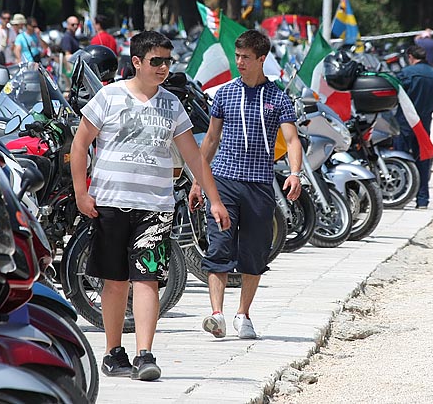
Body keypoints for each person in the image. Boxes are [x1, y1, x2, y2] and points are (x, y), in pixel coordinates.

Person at [70, 30, 230, 382]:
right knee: (115, 281)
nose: (162, 68)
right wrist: (82, 193)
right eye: (155, 61)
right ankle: (114, 352)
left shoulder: (171, 105)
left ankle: (145, 354)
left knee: (147, 279)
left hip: (155, 207)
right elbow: (80, 144)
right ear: (137, 62)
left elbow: (193, 157)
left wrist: (214, 200)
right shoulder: (108, 97)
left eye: (167, 62)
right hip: (110, 204)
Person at [188, 29, 302, 341]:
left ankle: (243, 315)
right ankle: (217, 315)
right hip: (223, 180)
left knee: (254, 254)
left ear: (262, 59)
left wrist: (295, 173)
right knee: (219, 248)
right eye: (237, 56)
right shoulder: (224, 94)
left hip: (260, 184)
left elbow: (291, 139)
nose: (239, 62)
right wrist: (198, 182)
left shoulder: (278, 98)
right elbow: (211, 140)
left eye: (246, 58)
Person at [392, 45, 433, 210]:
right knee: (423, 160)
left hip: (405, 122)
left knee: (400, 159)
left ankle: (400, 195)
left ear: (410, 56)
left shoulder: (407, 73)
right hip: (424, 123)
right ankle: (422, 200)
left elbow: (394, 94)